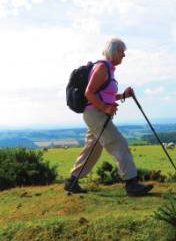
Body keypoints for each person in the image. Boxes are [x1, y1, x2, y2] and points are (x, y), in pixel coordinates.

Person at [64, 38, 154, 196]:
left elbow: (105, 95)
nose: (124, 55)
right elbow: (89, 93)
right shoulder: (102, 67)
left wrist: (123, 95)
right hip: (95, 114)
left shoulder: (109, 69)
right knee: (119, 143)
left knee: (92, 148)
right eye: (122, 51)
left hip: (96, 113)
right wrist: (105, 107)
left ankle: (72, 181)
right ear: (114, 50)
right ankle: (132, 184)